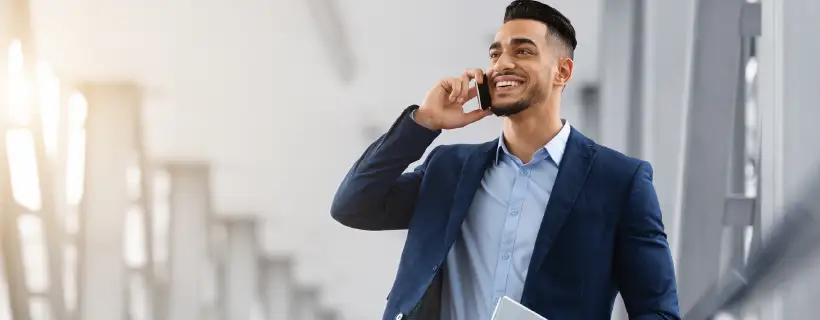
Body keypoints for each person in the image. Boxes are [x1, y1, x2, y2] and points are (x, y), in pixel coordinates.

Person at [331, 1, 680, 319]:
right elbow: (353, 205)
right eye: (495, 54)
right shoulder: (449, 169)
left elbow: (658, 312)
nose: (502, 64)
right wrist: (423, 123)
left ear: (563, 71)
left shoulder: (619, 180)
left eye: (523, 51)